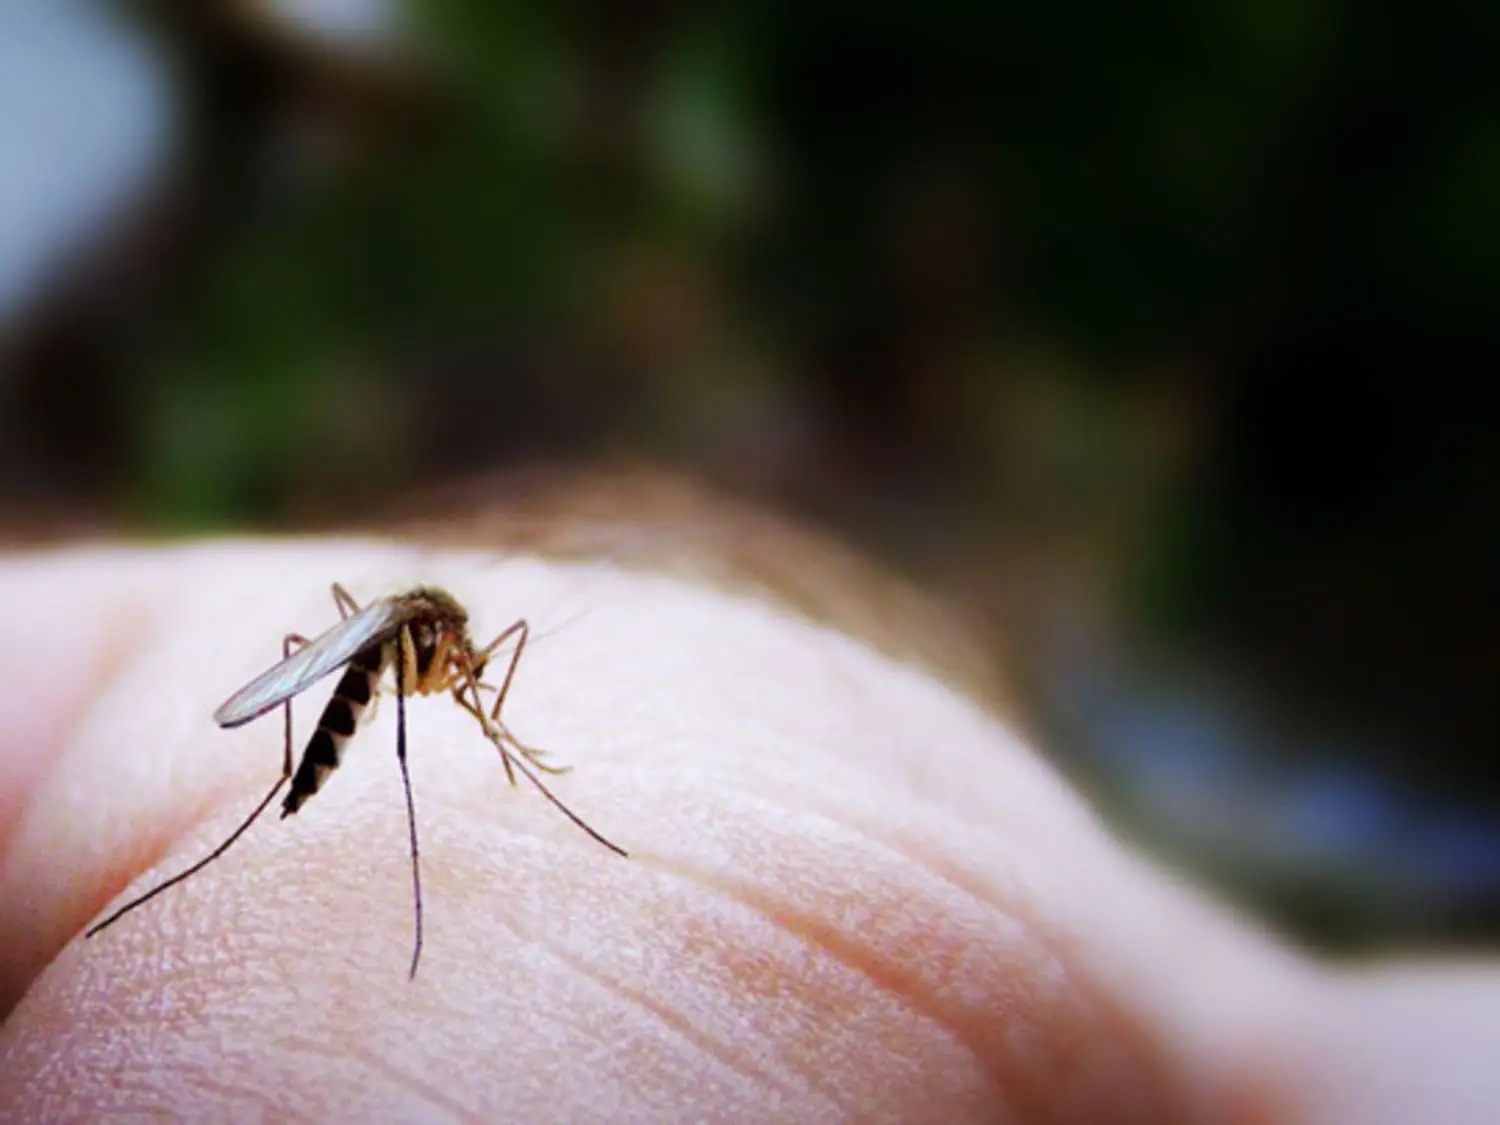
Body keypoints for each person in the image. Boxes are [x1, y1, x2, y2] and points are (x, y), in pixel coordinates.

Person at [1, 487, 1496, 1123]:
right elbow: (375, 652)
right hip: (340, 679)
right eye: (452, 655)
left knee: (373, 689)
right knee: (362, 726)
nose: (464, 667)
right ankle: (287, 837)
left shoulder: (447, 632)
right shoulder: (411, 636)